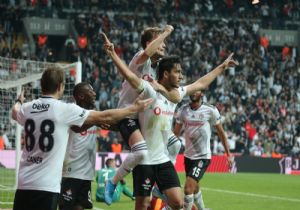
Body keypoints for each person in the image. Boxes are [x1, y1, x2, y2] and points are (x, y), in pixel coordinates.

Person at [101, 33, 238, 210]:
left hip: (163, 160)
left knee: (178, 202)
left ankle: (159, 189)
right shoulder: (150, 91)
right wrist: (113, 55)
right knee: (142, 205)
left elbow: (201, 83)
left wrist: (222, 67)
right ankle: (114, 183)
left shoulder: (177, 93)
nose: (181, 76)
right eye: (177, 72)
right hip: (145, 162)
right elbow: (131, 77)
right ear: (166, 74)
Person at [11, 66, 153, 210]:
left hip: (24, 183)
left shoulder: (27, 108)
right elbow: (105, 116)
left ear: (42, 85)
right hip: (48, 184)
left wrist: (19, 101)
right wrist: (133, 108)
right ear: (61, 86)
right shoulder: (65, 110)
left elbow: (14, 112)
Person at [104, 25, 183, 205]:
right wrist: (166, 32)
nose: (164, 45)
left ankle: (161, 183)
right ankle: (113, 182)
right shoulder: (139, 59)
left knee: (175, 144)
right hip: (128, 114)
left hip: (142, 117)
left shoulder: (155, 69)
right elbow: (147, 53)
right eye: (160, 42)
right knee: (140, 152)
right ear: (149, 43)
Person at [173, 90, 234, 210]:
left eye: (197, 90)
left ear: (202, 94)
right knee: (195, 188)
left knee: (188, 188)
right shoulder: (183, 110)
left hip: (203, 157)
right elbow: (175, 133)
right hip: (188, 156)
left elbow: (221, 133)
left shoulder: (210, 110)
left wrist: (228, 154)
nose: (194, 92)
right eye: (192, 90)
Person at [58, 82, 98, 210]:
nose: (94, 93)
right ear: (81, 96)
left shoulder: (94, 113)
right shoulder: (72, 112)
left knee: (80, 207)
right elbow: (76, 128)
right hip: (71, 172)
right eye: (90, 91)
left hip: (87, 173)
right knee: (66, 207)